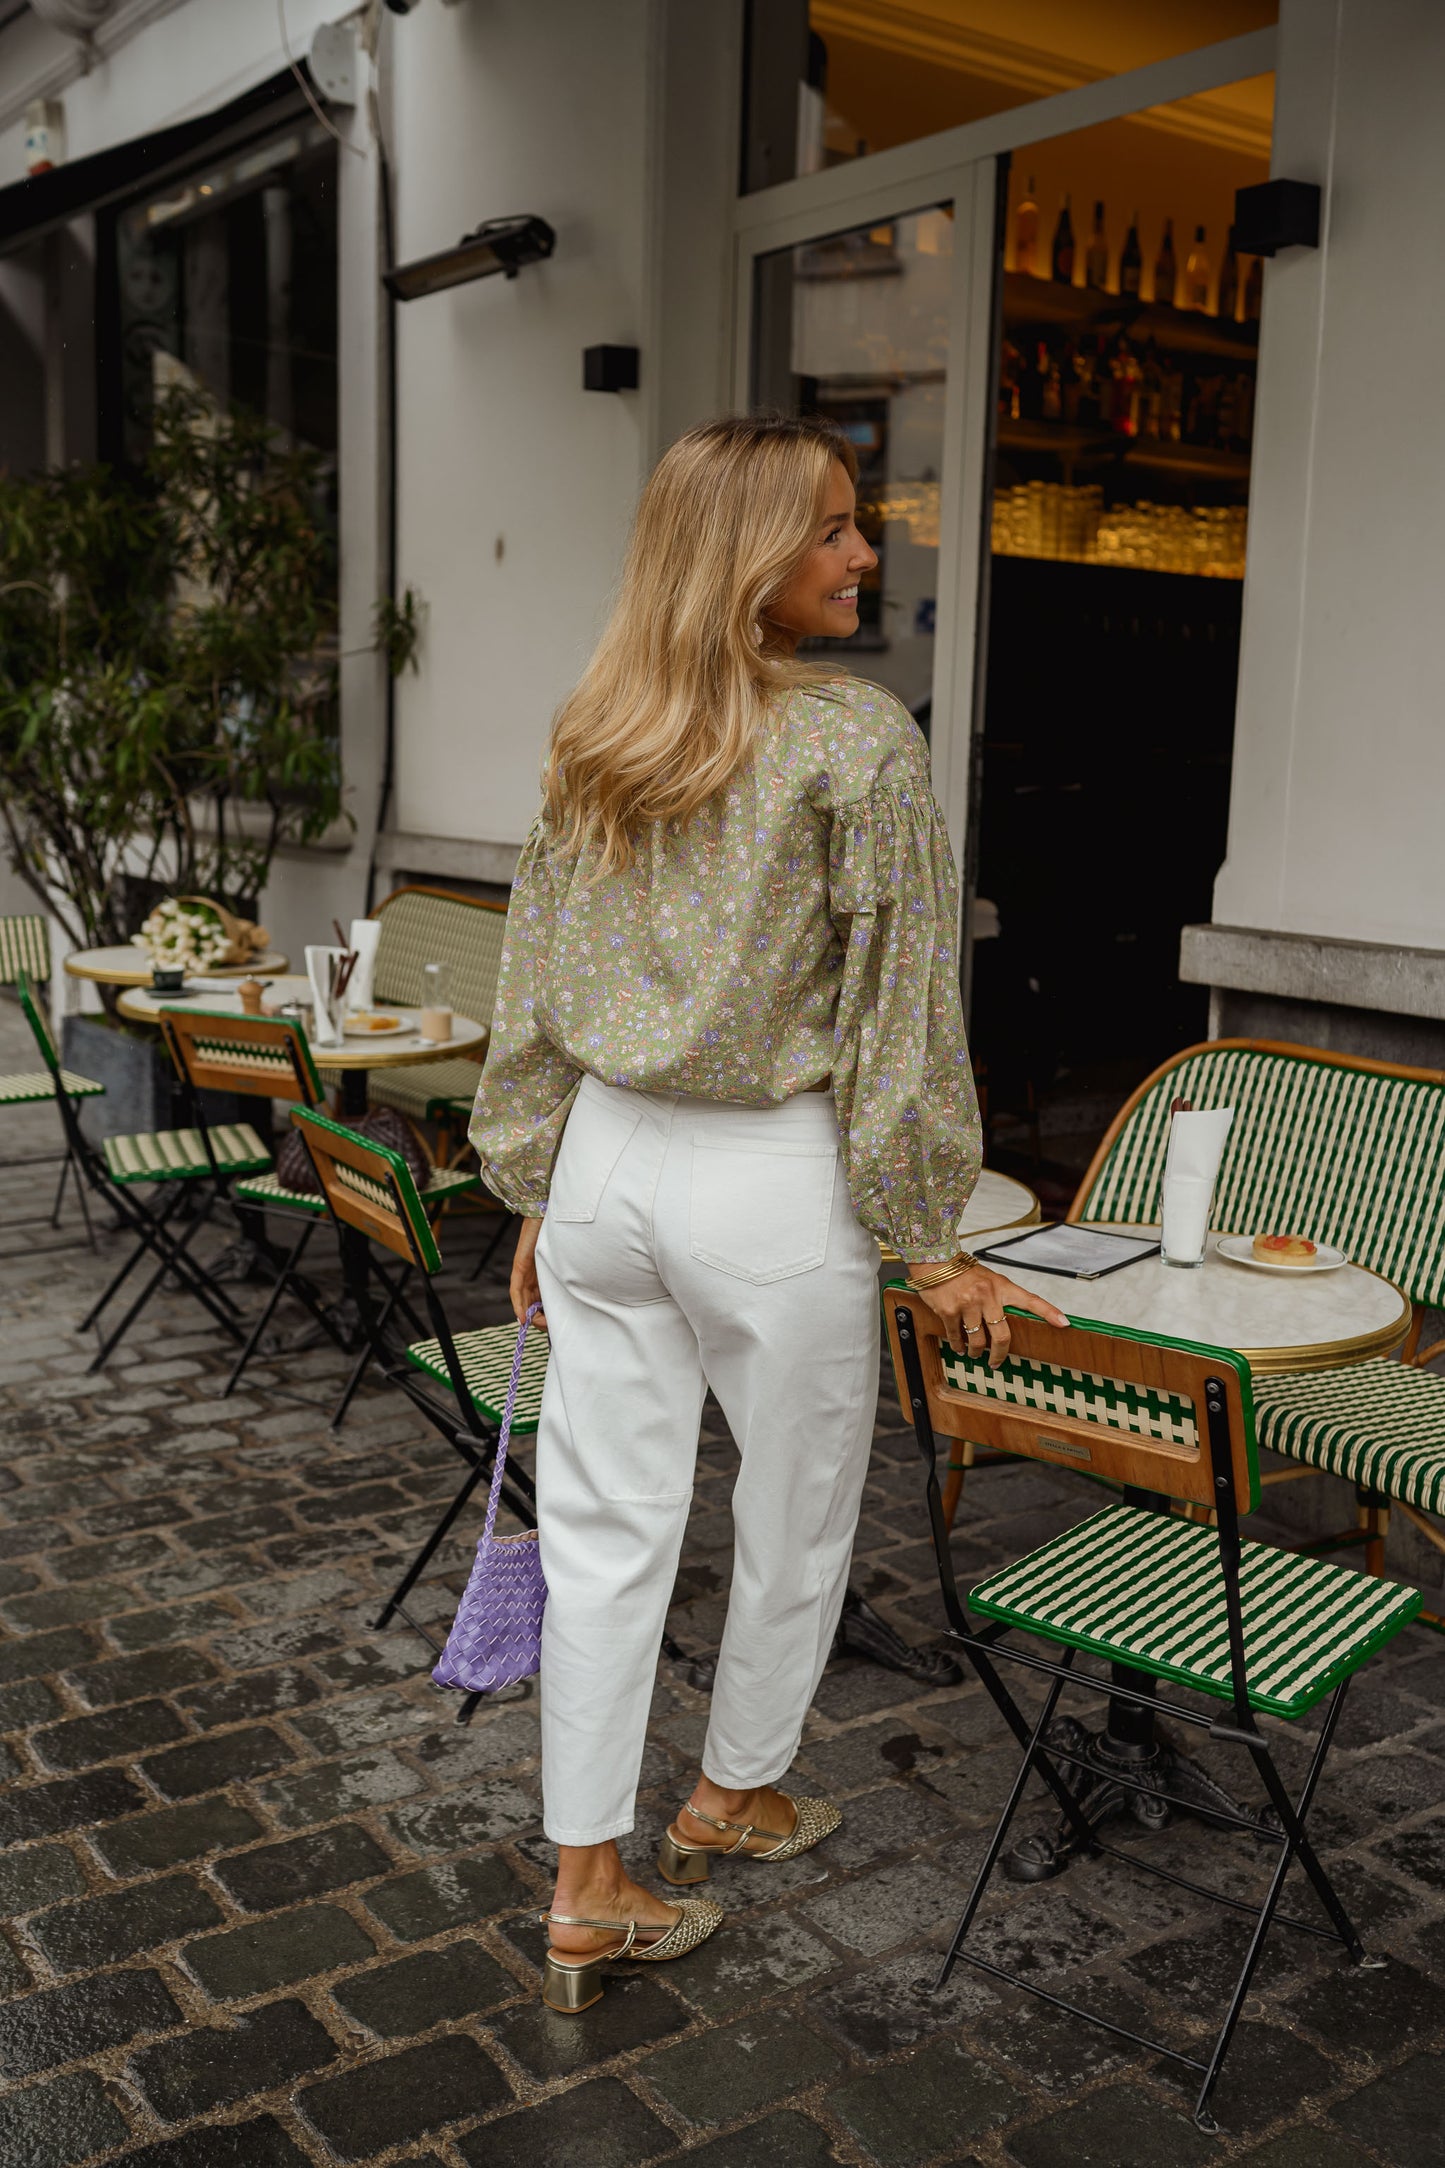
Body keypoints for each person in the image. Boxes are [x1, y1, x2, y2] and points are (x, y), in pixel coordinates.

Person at [470, 413, 1067, 2014]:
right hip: (768, 1181)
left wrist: (533, 1177)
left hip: (603, 1161)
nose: (862, 553)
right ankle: (731, 1792)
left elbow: (528, 970)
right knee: (793, 1509)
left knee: (602, 1533)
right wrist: (929, 1236)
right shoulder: (850, 737)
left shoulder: (600, 723)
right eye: (830, 528)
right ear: (742, 554)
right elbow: (897, 1012)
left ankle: (586, 1888)